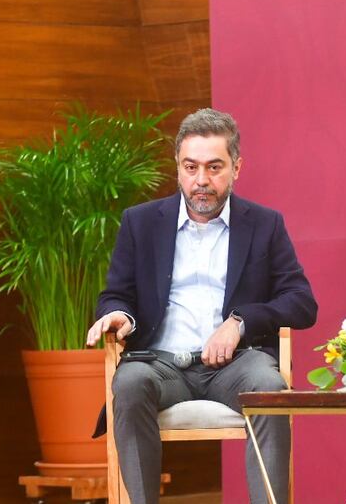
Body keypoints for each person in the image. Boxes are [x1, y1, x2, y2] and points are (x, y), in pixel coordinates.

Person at [85, 108, 317, 504]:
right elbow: (116, 294)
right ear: (177, 167)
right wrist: (119, 314)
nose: (201, 181)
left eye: (214, 167)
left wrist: (241, 322)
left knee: (270, 386)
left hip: (236, 365)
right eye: (191, 167)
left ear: (236, 167)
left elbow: (302, 303)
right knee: (128, 382)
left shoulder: (264, 224)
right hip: (159, 363)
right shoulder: (141, 223)